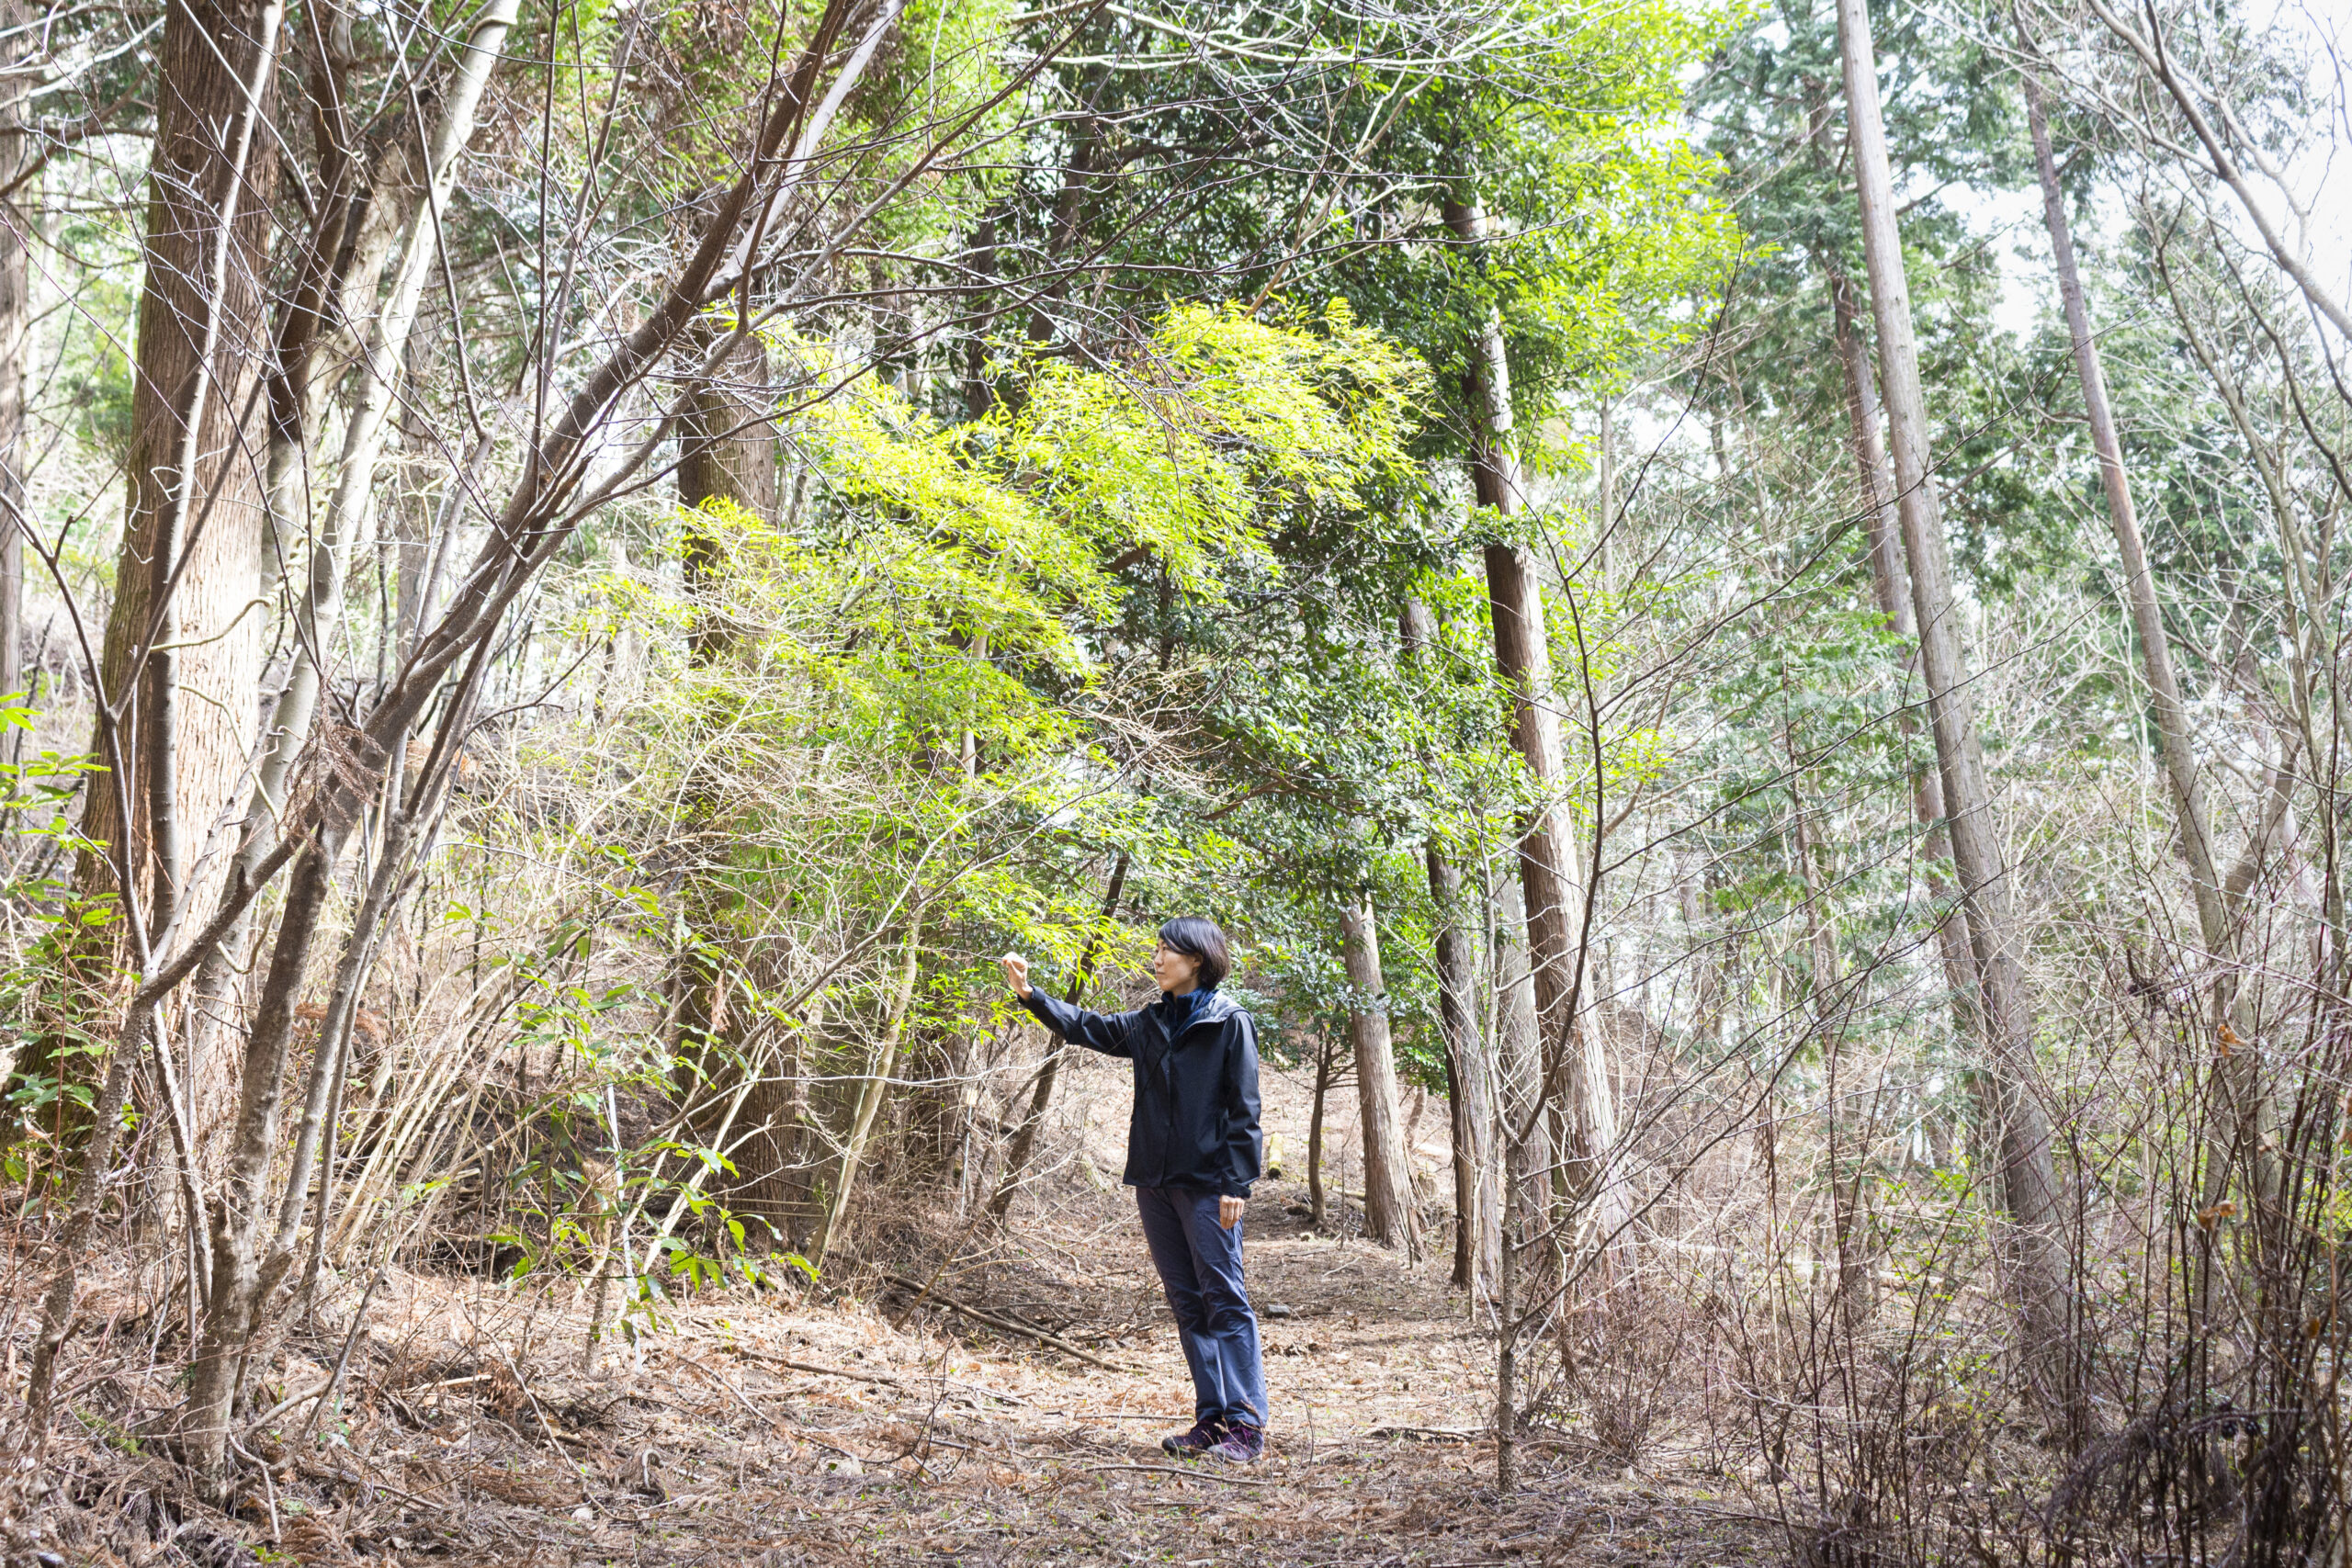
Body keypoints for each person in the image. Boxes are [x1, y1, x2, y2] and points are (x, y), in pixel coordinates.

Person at [1000, 918, 1268, 1462]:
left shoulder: (1229, 1022)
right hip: (1155, 1182)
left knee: (1225, 1299)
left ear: (1196, 959)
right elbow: (1089, 1027)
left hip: (1208, 1185)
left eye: (1168, 950)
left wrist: (1237, 1180)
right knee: (1188, 1302)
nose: (1158, 957)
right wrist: (1032, 996)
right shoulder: (1149, 1023)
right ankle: (1212, 1418)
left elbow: (1245, 1108)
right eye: (1158, 948)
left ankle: (1246, 1425)